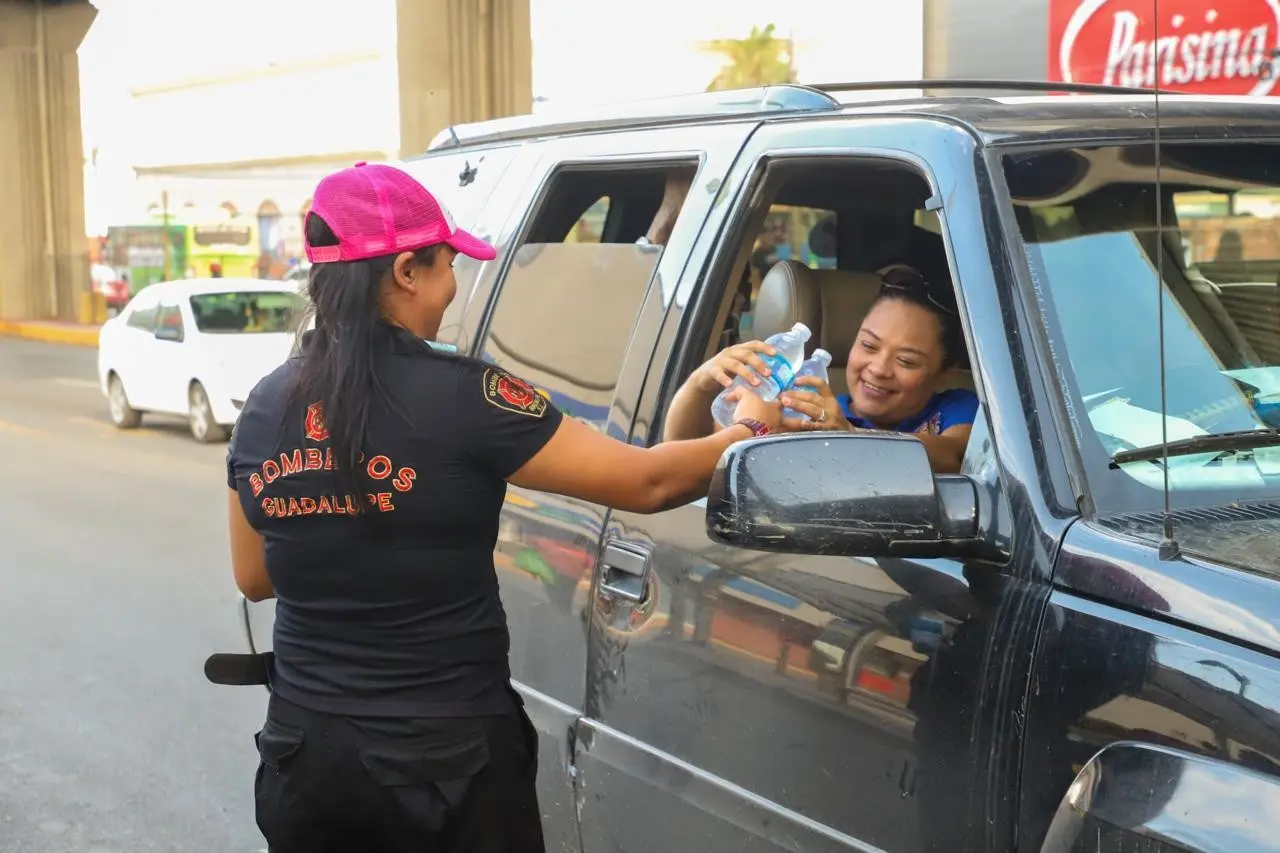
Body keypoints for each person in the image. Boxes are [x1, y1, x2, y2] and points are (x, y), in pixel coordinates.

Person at [224, 162, 786, 853]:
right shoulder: (468, 398)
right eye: (444, 265)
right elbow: (647, 483)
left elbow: (254, 578)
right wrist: (751, 430)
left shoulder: (264, 405)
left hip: (307, 760)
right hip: (445, 769)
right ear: (405, 270)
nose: (450, 286)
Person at [663, 266, 978, 474]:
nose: (879, 368)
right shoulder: (804, 410)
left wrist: (851, 436)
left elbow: (956, 456)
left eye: (906, 361)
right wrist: (700, 383)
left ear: (945, 371)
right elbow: (687, 451)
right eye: (868, 346)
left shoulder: (958, 407)